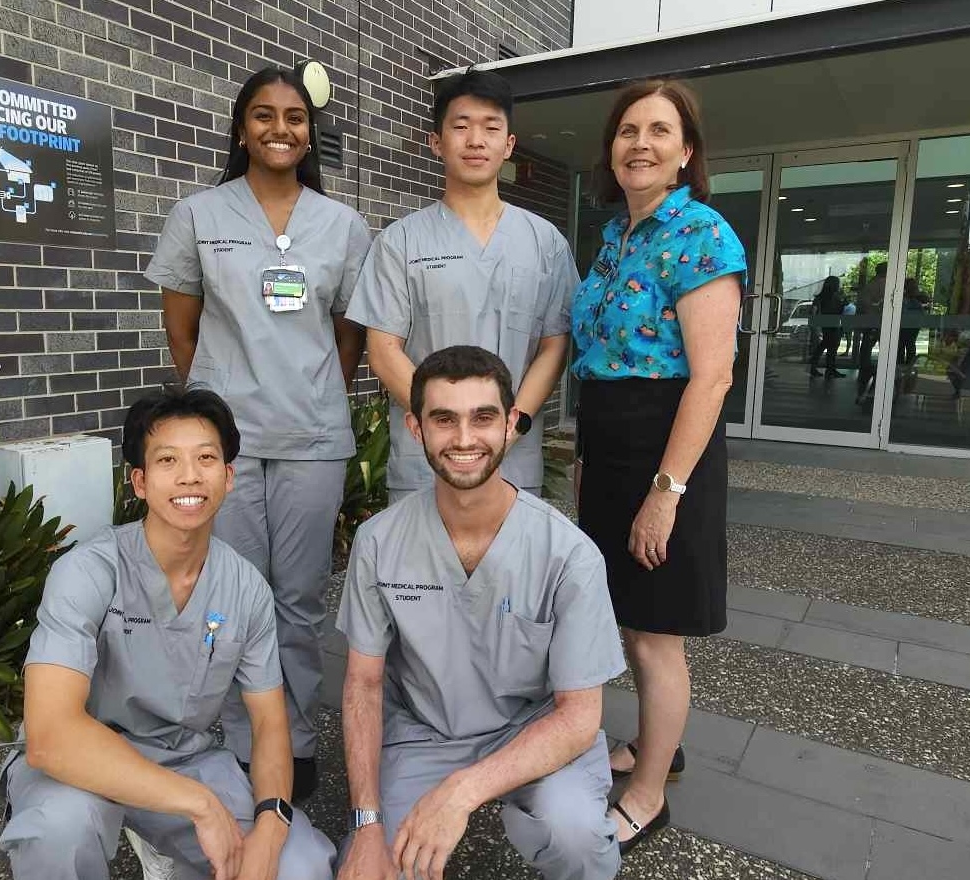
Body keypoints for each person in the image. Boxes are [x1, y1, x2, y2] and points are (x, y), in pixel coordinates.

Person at [144, 66, 373, 800]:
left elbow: (350, 335)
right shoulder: (199, 215)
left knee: (299, 599)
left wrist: (315, 392)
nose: (281, 128)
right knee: (235, 594)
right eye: (265, 115)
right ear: (242, 129)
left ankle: (295, 739)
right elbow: (182, 332)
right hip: (227, 443)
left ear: (310, 132)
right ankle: (242, 740)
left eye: (295, 117)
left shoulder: (342, 226)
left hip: (312, 438)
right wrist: (217, 405)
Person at [0, 387, 336, 880]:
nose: (189, 475)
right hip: (83, 757)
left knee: (299, 866)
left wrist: (272, 822)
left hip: (182, 757)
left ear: (228, 477)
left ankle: (173, 842)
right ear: (139, 482)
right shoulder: (88, 571)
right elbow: (50, 737)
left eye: (206, 458)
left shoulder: (246, 590)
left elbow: (269, 725)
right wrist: (199, 804)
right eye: (167, 460)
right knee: (57, 830)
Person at [336, 346, 626, 880]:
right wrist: (367, 821)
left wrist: (462, 791)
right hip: (424, 731)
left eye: (483, 417)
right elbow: (363, 684)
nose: (465, 438)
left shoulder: (568, 555)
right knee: (375, 867)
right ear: (416, 428)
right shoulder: (379, 542)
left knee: (577, 836)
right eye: (444, 419)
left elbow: (579, 717)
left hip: (533, 727)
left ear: (511, 424)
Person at [571, 79, 746, 855]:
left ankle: (648, 797)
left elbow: (711, 377)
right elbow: (600, 363)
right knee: (630, 616)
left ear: (685, 152)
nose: (640, 143)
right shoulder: (616, 237)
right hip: (611, 445)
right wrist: (586, 460)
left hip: (666, 450)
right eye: (627, 130)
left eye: (659, 130)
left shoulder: (701, 232)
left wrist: (665, 493)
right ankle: (655, 746)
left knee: (655, 634)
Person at [346, 68, 578, 504]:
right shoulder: (400, 242)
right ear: (436, 142)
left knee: (510, 550)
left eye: (491, 128)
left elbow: (554, 346)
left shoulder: (545, 243)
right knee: (418, 549)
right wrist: (444, 425)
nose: (476, 140)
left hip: (513, 453)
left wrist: (512, 426)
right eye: (461, 126)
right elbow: (383, 350)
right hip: (425, 455)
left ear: (509, 144)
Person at [854, 262, 888, 403]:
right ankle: (876, 372)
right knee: (883, 348)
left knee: (867, 347)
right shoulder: (884, 284)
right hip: (878, 321)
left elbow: (863, 303)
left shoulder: (870, 284)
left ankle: (865, 370)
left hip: (870, 321)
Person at [808, 275, 845, 378]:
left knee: (825, 346)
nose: (839, 286)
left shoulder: (823, 297)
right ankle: (829, 369)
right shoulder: (835, 298)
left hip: (828, 324)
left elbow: (814, 311)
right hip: (831, 324)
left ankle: (821, 367)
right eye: (838, 284)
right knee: (830, 347)